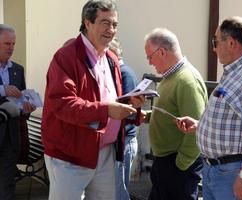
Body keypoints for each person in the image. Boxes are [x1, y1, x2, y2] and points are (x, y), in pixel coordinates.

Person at [41, 1, 144, 200]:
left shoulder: (111, 59)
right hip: (70, 156)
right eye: (105, 23)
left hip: (105, 153)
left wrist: (132, 106)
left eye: (115, 24)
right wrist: (106, 110)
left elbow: (112, 100)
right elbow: (62, 104)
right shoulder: (65, 56)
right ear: (87, 23)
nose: (111, 30)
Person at [176, 16, 242, 200]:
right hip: (218, 171)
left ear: (231, 43)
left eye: (215, 41)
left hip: (233, 173)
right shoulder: (237, 70)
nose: (213, 48)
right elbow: (235, 118)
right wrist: (200, 125)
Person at [142, 28, 208, 200]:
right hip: (165, 163)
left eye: (150, 56)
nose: (150, 62)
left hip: (176, 165)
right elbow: (171, 112)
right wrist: (148, 116)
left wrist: (181, 164)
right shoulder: (170, 77)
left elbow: (197, 126)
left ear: (162, 52)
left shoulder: (187, 81)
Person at [0, 24, 35, 200]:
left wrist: (27, 107)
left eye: (13, 44)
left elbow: (21, 101)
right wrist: (2, 90)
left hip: (11, 136)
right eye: (7, 44)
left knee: (7, 182)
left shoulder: (18, 69)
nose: (11, 48)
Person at [109, 38, 139, 200]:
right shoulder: (120, 72)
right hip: (121, 139)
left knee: (119, 192)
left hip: (124, 140)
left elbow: (128, 111)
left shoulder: (125, 73)